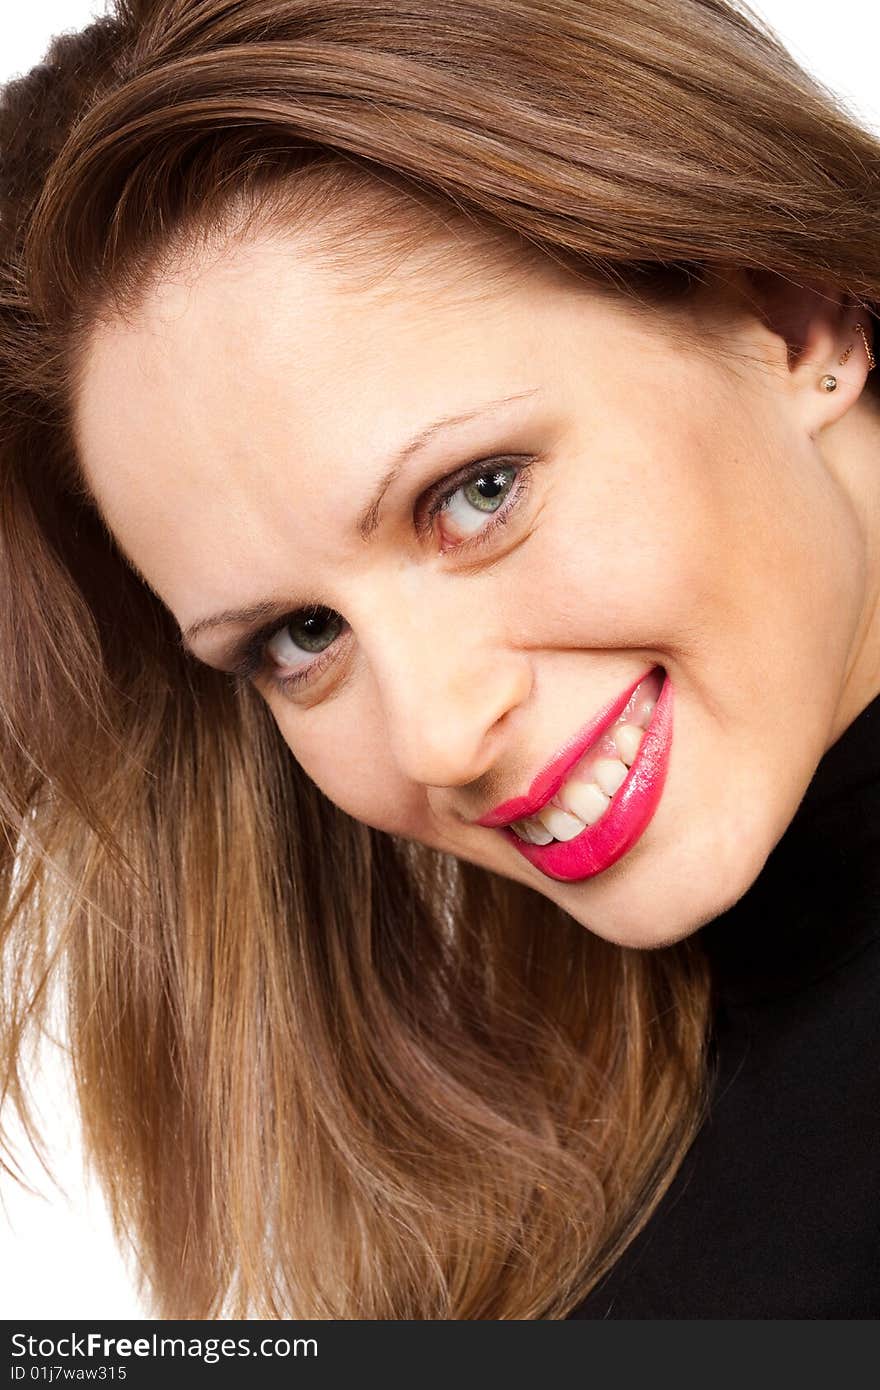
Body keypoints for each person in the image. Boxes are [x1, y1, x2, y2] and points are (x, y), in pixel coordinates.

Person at [0, 0, 878, 1320]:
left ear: (793, 317)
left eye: (476, 493)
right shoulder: (612, 1206)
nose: (435, 737)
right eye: (299, 637)